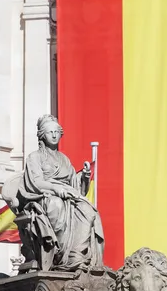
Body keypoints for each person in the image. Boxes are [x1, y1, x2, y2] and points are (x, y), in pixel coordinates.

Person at [16, 114, 104, 272]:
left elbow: (76, 187)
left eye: (57, 131)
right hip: (44, 197)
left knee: (89, 211)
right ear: (42, 135)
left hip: (67, 195)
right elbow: (36, 183)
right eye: (50, 132)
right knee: (56, 205)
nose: (55, 135)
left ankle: (75, 254)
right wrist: (56, 189)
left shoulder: (64, 159)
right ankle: (59, 256)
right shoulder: (34, 157)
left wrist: (84, 176)